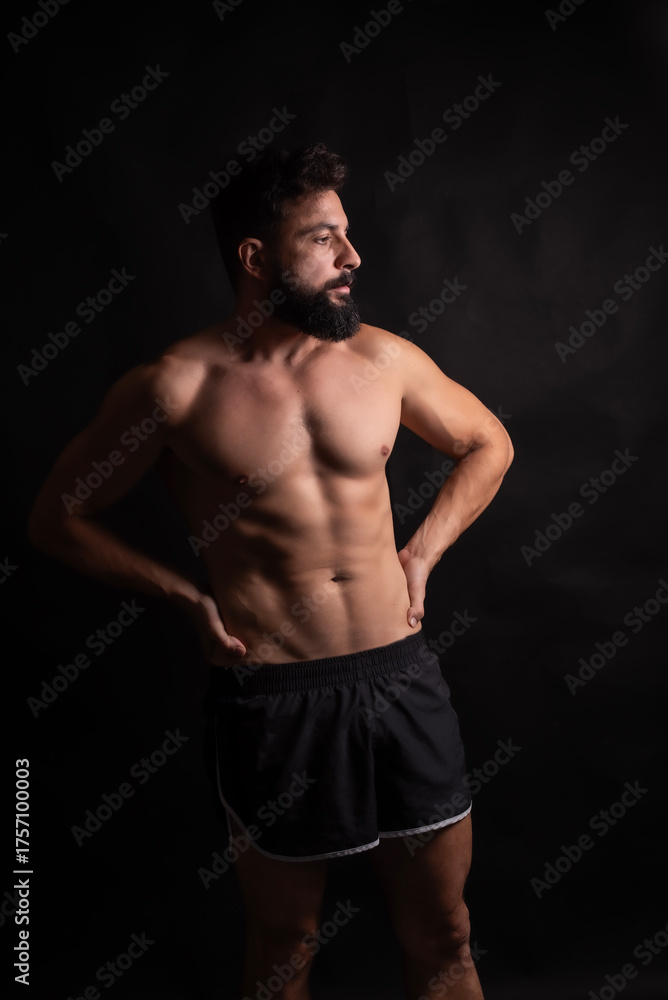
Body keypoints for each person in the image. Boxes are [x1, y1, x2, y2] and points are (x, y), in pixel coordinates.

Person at [28, 142, 513, 999]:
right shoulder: (173, 388)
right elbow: (56, 519)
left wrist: (420, 551)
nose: (352, 258)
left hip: (399, 679)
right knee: (286, 943)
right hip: (276, 698)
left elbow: (489, 442)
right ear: (256, 258)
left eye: (348, 236)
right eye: (324, 239)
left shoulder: (382, 360)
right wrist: (182, 593)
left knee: (445, 931)